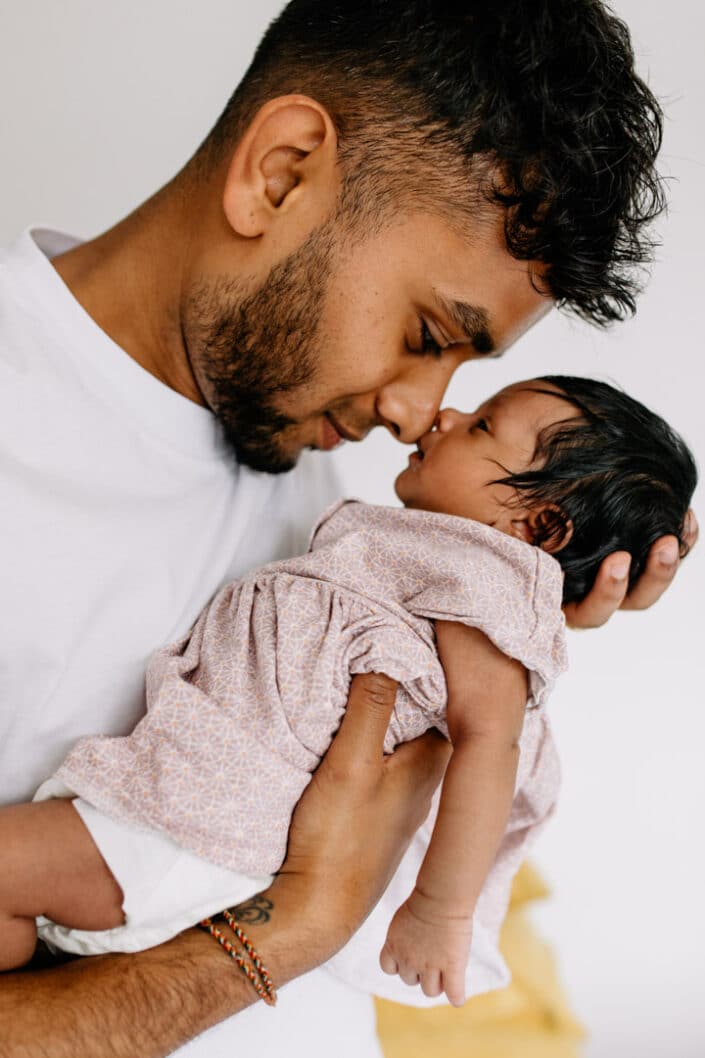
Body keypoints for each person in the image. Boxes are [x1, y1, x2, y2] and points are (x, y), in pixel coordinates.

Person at [0, 1, 697, 1055]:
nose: (419, 412)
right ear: (280, 172)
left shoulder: (308, 459)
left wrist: (524, 613)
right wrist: (294, 926)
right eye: (426, 335)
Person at [0, 377, 696, 1009]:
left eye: (482, 426)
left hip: (198, 828)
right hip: (183, 809)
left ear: (536, 528)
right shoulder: (421, 553)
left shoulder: (487, 573)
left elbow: (492, 738)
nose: (447, 411)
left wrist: (439, 909)